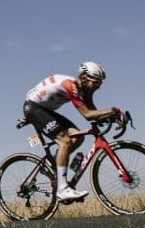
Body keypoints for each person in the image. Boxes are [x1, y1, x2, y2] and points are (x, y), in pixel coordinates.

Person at [24, 61, 122, 203]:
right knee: (65, 141)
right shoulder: (71, 85)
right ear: (84, 78)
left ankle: (52, 168)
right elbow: (88, 114)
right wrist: (114, 111)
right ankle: (62, 190)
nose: (98, 87)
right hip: (33, 108)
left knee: (77, 136)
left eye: (100, 84)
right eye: (96, 83)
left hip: (45, 110)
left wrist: (111, 118)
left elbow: (94, 112)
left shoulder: (85, 90)